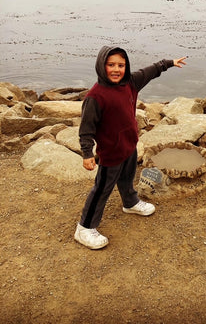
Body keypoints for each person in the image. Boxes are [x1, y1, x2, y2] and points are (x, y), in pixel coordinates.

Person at [74, 45, 187, 249]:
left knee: (127, 178)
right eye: (111, 65)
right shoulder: (95, 97)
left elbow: (150, 71)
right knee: (102, 189)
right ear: (101, 66)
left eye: (121, 65)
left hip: (129, 146)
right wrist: (86, 153)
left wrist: (169, 63)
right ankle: (85, 227)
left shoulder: (131, 83)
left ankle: (130, 203)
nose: (116, 69)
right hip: (110, 153)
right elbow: (86, 129)